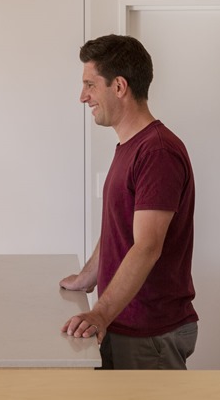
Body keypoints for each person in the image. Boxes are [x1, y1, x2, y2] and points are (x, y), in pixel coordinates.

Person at [60, 34, 198, 370]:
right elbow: (118, 227)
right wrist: (87, 276)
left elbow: (147, 247)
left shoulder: (157, 152)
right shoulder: (131, 146)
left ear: (119, 86)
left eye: (90, 85)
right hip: (127, 324)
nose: (83, 97)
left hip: (149, 333)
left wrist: (99, 314)